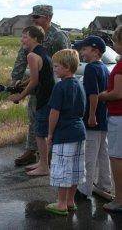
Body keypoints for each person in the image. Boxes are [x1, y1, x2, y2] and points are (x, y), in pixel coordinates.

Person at [12, 5, 71, 166]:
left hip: (54, 86)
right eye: (33, 17)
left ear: (48, 18)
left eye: (37, 17)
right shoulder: (32, 35)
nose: (34, 19)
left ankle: (51, 155)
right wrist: (15, 81)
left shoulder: (58, 36)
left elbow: (68, 61)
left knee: (52, 120)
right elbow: (22, 57)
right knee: (34, 117)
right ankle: (32, 151)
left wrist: (65, 86)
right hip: (38, 84)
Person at [9, 26, 55, 176]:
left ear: (34, 38)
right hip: (50, 96)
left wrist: (19, 96)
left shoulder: (31, 56)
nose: (22, 40)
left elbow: (35, 82)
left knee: (40, 134)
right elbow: (38, 76)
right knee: (41, 132)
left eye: (25, 37)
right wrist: (22, 83)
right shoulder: (43, 51)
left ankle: (44, 167)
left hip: (43, 99)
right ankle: (42, 162)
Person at [46, 49, 86, 216]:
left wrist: (50, 134)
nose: (54, 69)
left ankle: (61, 204)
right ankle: (71, 201)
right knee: (76, 168)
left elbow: (54, 113)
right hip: (79, 132)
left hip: (64, 134)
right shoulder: (79, 84)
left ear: (67, 67)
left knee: (62, 168)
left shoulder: (60, 87)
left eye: (56, 66)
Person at [75, 36, 112, 199]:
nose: (81, 52)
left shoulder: (90, 68)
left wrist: (91, 116)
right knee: (103, 153)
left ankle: (84, 189)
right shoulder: (104, 68)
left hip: (93, 120)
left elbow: (93, 95)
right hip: (104, 119)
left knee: (89, 155)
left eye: (84, 49)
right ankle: (105, 184)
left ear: (95, 51)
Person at [99, 25, 122, 213]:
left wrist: (102, 96)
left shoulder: (121, 66)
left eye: (115, 41)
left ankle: (119, 200)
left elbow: (117, 93)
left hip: (119, 117)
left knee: (116, 158)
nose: (113, 45)